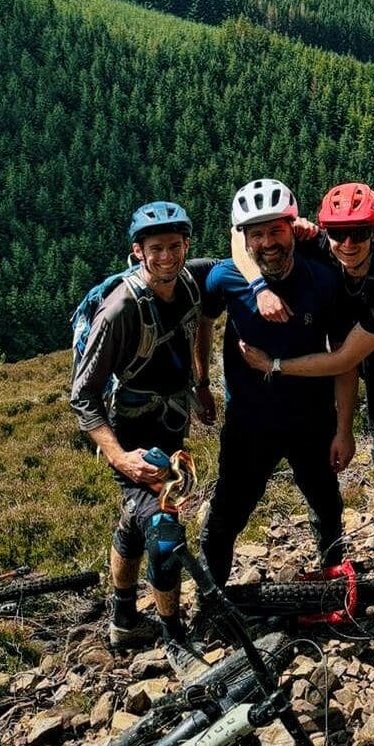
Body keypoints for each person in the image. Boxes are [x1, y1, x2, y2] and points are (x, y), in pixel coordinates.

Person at [239, 183, 374, 568]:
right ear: (326, 230)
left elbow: (341, 360)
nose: (348, 243)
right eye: (338, 233)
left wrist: (274, 365)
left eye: (359, 233)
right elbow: (240, 236)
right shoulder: (322, 243)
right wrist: (258, 287)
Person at [69, 200, 216, 675]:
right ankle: (175, 638)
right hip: (132, 438)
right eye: (157, 249)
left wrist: (201, 382)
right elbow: (83, 397)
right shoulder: (120, 312)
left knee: (138, 520)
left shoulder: (193, 279)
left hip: (172, 422)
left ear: (186, 245)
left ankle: (123, 619)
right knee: (165, 529)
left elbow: (209, 310)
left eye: (175, 246)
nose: (168, 257)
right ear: (138, 252)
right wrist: (121, 459)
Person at [197, 178, 358, 586]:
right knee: (227, 512)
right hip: (249, 422)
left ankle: (334, 583)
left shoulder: (323, 280)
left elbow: (344, 360)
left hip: (312, 418)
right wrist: (200, 381)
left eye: (276, 230)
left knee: (326, 505)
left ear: (294, 228)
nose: (268, 242)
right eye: (257, 234)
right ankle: (213, 600)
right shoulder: (226, 278)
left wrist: (344, 429)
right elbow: (204, 320)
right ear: (244, 240)